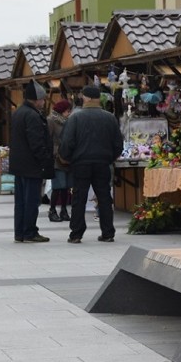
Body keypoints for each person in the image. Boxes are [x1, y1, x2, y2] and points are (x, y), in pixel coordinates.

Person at [60, 84, 124, 244]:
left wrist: (66, 158)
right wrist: (111, 157)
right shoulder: (109, 117)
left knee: (79, 197)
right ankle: (108, 232)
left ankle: (76, 233)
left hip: (81, 163)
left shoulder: (75, 117)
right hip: (103, 163)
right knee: (104, 197)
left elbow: (67, 142)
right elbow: (118, 143)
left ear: (86, 98)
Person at [9, 80, 54, 243]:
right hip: (31, 165)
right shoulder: (33, 116)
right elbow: (36, 143)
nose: (43, 103)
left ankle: (19, 232)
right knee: (31, 201)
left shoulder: (18, 113)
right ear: (36, 99)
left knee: (20, 202)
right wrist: (45, 160)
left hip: (19, 165)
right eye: (42, 100)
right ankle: (29, 232)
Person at [47, 99, 73, 222]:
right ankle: (52, 210)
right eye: (68, 111)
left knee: (66, 186)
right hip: (57, 158)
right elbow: (47, 139)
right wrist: (55, 151)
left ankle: (64, 210)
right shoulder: (51, 121)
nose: (69, 113)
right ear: (62, 111)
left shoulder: (70, 122)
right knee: (58, 185)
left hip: (68, 157)